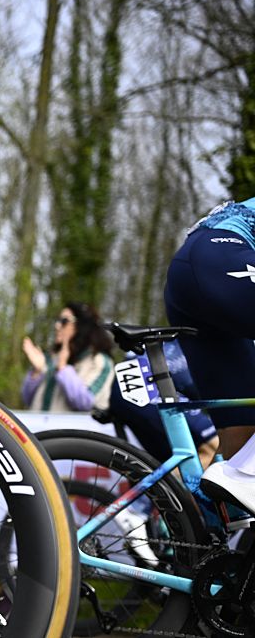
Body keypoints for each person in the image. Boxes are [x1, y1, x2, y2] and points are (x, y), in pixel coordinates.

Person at [164, 198, 255, 509]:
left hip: (198, 270)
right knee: (246, 471)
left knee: (242, 427)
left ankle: (224, 546)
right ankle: (248, 474)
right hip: (221, 256)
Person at [100, 339, 219, 469]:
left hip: (124, 390)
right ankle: (159, 487)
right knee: (213, 447)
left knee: (175, 461)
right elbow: (195, 388)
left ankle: (154, 488)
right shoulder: (196, 346)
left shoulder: (182, 341)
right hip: (145, 388)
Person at [22, 302, 115, 413]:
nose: (57, 326)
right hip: (38, 429)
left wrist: (63, 369)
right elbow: (27, 400)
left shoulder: (100, 362)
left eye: (64, 321)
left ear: (82, 325)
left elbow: (86, 403)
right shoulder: (51, 358)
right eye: (57, 320)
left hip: (70, 430)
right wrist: (37, 371)